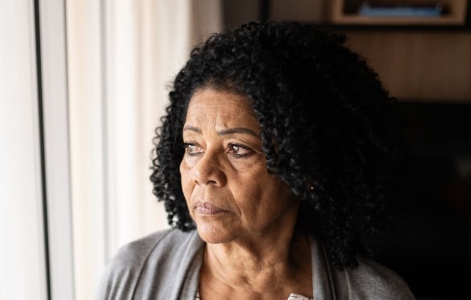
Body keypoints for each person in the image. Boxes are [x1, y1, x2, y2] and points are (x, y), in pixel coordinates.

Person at [97, 21, 415, 299]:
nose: (203, 172)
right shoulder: (132, 273)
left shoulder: (377, 295)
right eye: (193, 147)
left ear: (305, 168)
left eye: (238, 149)